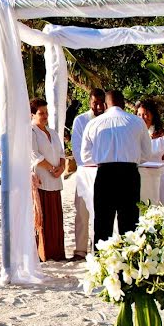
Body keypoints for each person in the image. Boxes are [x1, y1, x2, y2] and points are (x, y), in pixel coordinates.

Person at [81, 90, 153, 248]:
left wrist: (102, 158)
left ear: (106, 105)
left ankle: (103, 265)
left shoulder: (94, 123)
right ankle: (128, 264)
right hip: (129, 173)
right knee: (129, 222)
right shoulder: (137, 122)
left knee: (102, 222)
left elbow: (85, 156)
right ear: (123, 103)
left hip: (105, 173)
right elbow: (147, 154)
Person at [69, 88, 105, 260]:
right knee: (82, 212)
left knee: (103, 213)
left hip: (105, 172)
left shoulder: (108, 120)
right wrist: (91, 163)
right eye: (95, 102)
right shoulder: (80, 120)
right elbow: (77, 150)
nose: (98, 106)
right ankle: (80, 249)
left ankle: (100, 247)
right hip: (85, 173)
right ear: (90, 102)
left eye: (101, 102)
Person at [30, 99, 66, 261]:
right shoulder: (30, 132)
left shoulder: (52, 132)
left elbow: (61, 154)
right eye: (41, 113)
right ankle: (43, 254)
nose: (45, 116)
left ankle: (56, 253)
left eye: (46, 112)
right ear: (32, 114)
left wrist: (62, 167)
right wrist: (52, 169)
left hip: (55, 180)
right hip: (42, 180)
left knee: (55, 218)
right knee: (42, 218)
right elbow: (35, 156)